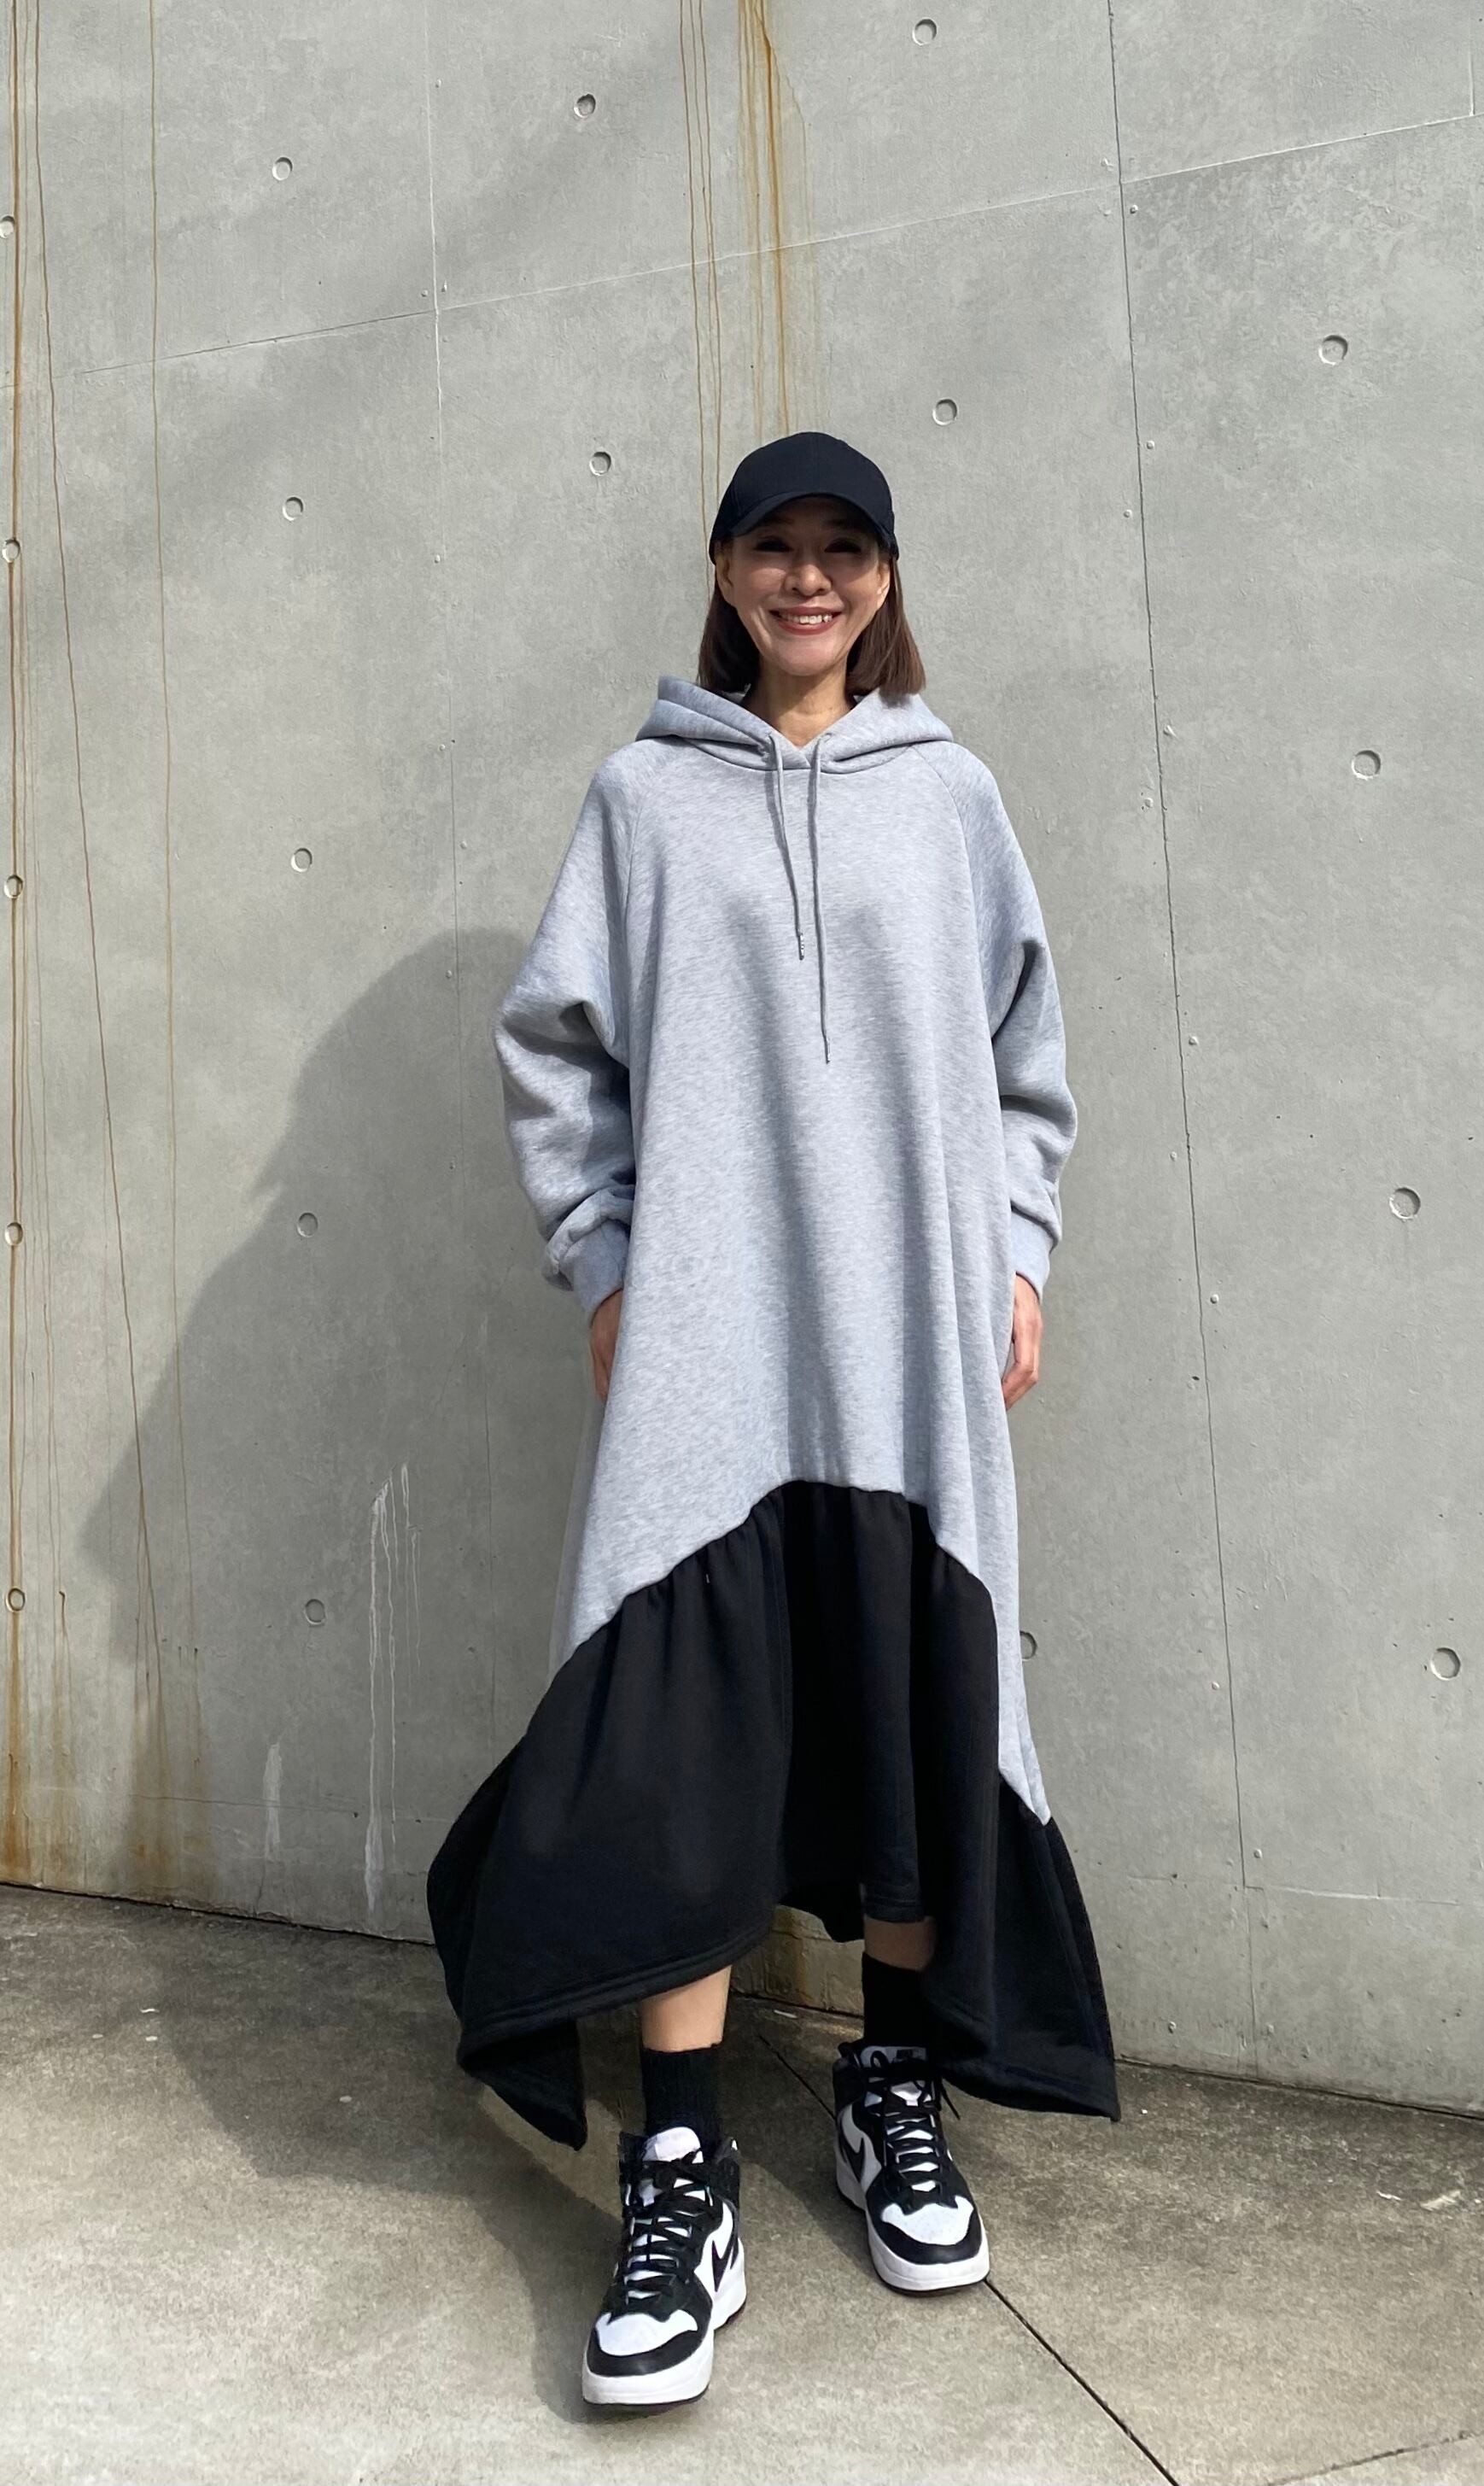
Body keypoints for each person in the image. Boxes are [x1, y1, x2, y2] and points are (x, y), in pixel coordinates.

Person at [427, 430, 1118, 2412]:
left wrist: (1016, 1252)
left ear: (884, 577)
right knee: (677, 1736)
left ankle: (892, 2085)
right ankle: (678, 2158)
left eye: (843, 548)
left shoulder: (951, 795)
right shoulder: (642, 798)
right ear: (724, 570)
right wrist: (605, 1261)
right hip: (712, 1346)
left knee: (911, 1688)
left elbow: (1025, 1053)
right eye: (773, 546)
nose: (808, 578)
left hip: (910, 1336)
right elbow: (557, 1051)